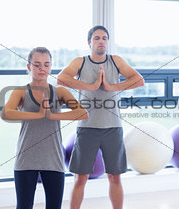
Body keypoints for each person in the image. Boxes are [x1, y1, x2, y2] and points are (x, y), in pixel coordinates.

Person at [57, 25, 144, 209]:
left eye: (104, 38)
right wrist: (92, 85)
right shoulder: (80, 62)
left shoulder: (116, 61)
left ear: (108, 42)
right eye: (97, 38)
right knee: (80, 178)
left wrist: (111, 87)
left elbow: (138, 79)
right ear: (89, 42)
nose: (101, 41)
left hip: (113, 127)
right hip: (87, 127)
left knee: (115, 176)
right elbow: (61, 79)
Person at [2, 47, 88, 209]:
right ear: (29, 67)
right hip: (26, 160)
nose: (42, 69)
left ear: (51, 66)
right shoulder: (20, 92)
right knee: (24, 206)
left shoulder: (60, 92)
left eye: (46, 64)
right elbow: (6, 114)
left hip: (53, 159)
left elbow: (82, 113)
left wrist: (52, 116)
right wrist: (40, 114)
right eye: (37, 65)